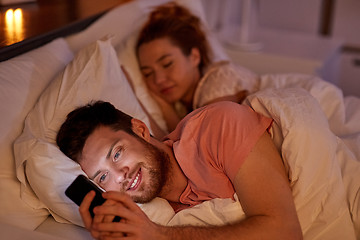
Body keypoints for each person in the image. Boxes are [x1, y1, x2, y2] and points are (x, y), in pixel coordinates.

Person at [56, 100, 303, 239]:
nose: (120, 175)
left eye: (117, 153)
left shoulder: (217, 127)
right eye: (103, 176)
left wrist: (160, 236)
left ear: (141, 130)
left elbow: (286, 232)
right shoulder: (155, 214)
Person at [135, 2, 259, 132]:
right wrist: (163, 104)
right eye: (148, 73)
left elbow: (190, 142)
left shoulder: (220, 78)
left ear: (194, 56)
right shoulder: (185, 106)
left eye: (167, 64)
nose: (158, 79)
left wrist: (165, 108)